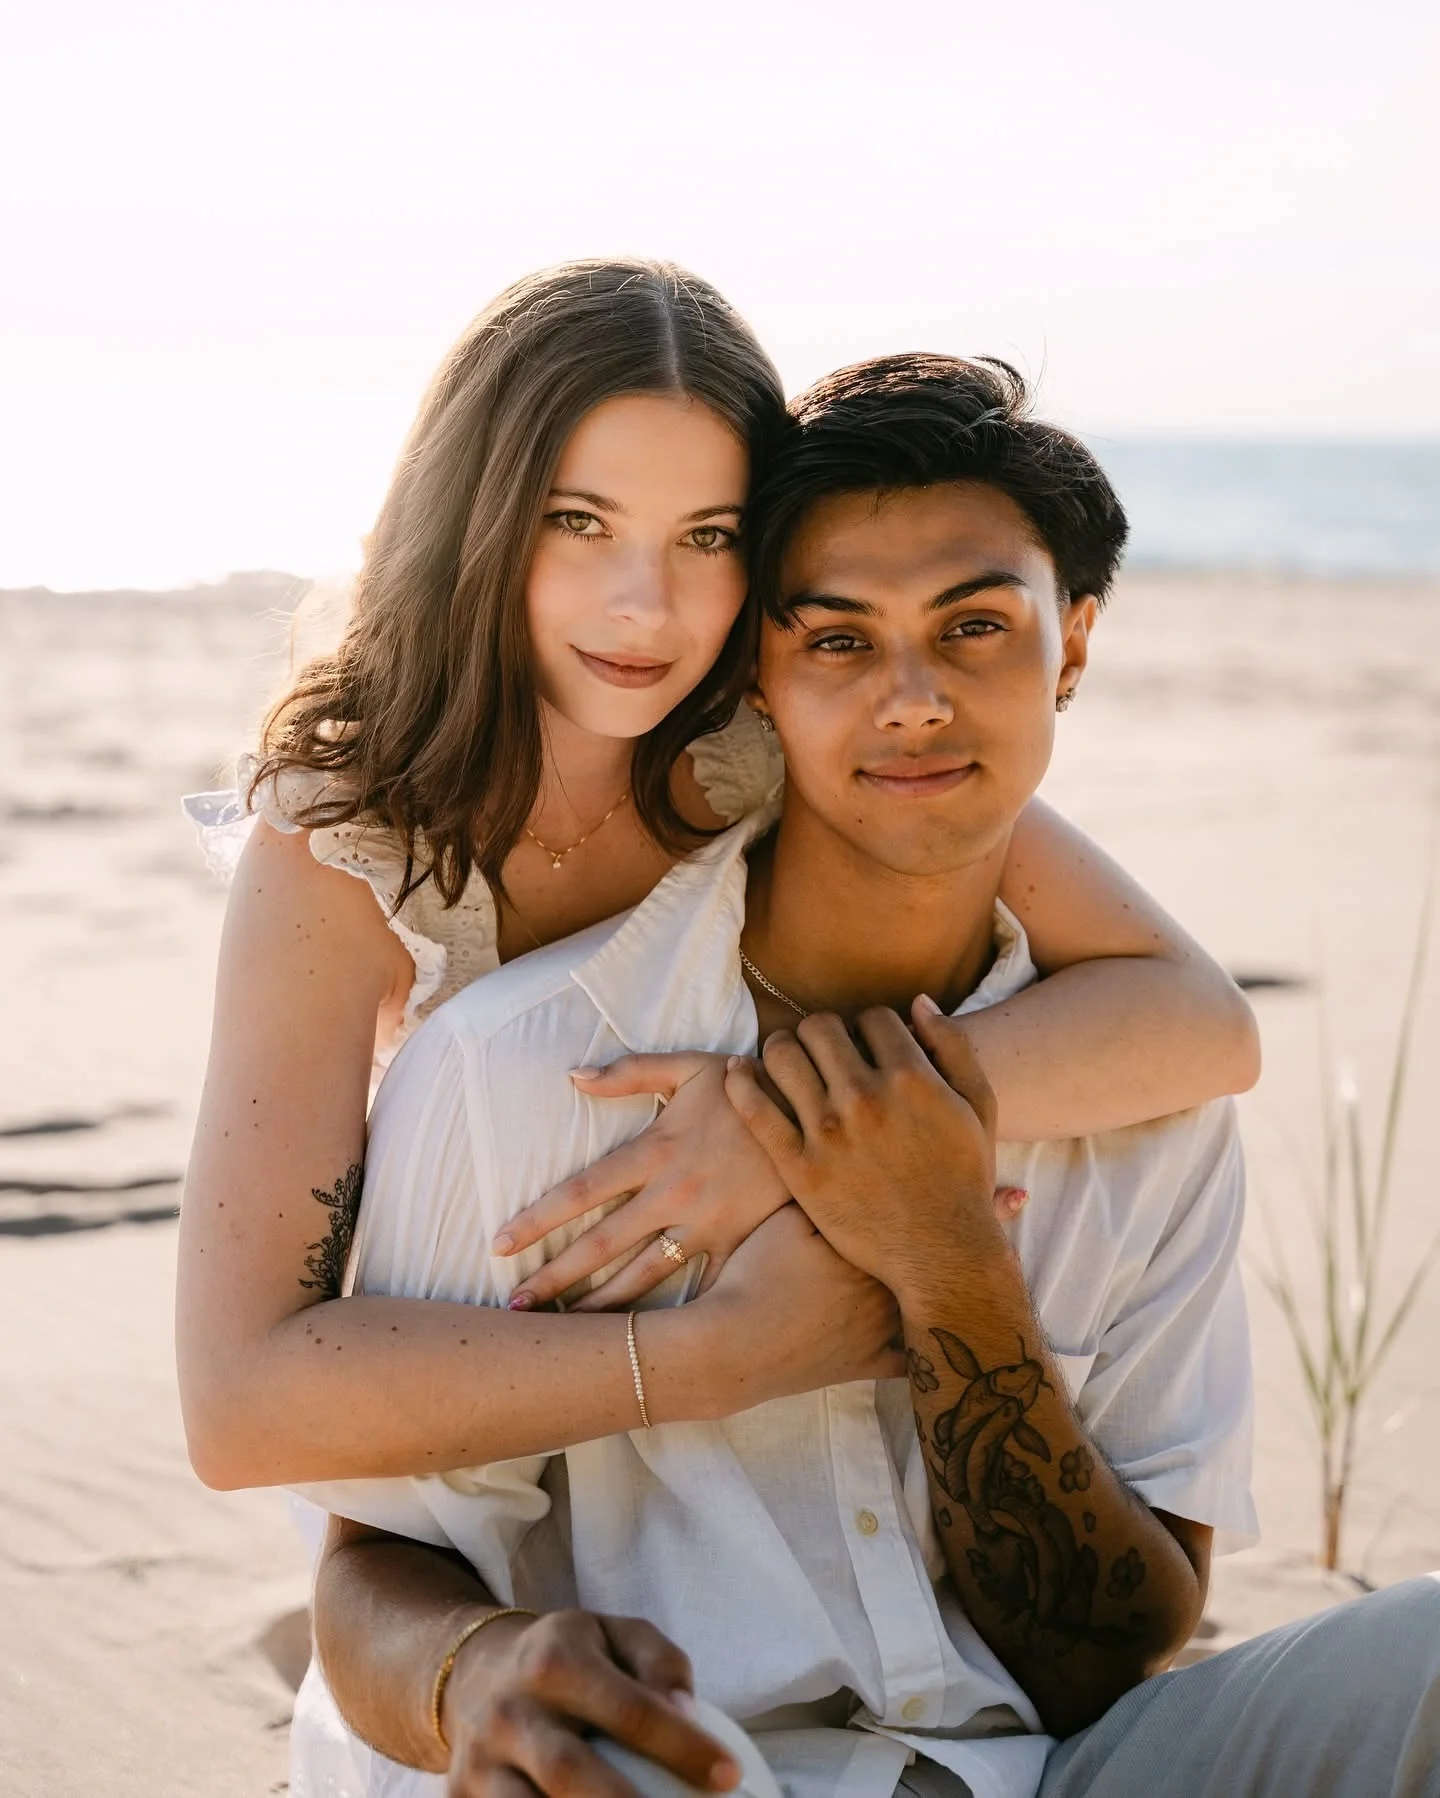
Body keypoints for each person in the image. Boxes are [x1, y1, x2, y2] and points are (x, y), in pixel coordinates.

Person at [294, 354, 1440, 1798]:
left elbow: (1113, 1654)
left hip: (1049, 1767)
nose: (912, 701)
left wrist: (955, 1265)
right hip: (699, 1766)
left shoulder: (1140, 1096)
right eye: (838, 640)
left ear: (1072, 645)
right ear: (758, 671)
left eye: (975, 626)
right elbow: (373, 1565)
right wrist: (478, 1677)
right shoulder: (521, 1067)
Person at [178, 259, 1258, 1494]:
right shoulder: (344, 851)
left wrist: (789, 1125)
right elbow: (240, 1403)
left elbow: (1200, 1023)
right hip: (453, 1437)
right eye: (576, 522)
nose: (646, 607)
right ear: (473, 516)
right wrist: (709, 1359)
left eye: (711, 538)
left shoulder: (777, 745)